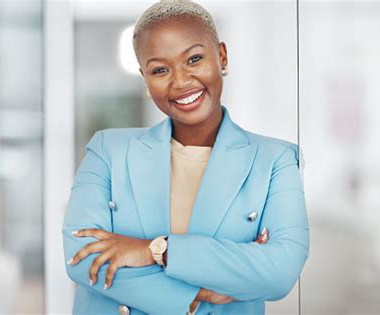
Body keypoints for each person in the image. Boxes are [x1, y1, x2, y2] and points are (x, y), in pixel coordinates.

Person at [62, 0, 309, 314]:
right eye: (160, 69)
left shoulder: (276, 160)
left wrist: (157, 250)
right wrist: (201, 291)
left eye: (194, 59)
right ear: (145, 79)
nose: (180, 81)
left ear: (221, 56)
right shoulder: (107, 151)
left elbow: (280, 271)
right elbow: (83, 258)